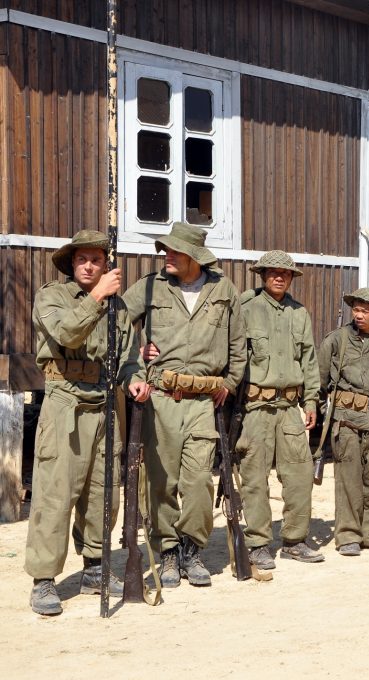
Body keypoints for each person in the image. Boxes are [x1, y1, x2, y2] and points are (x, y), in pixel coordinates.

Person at [25, 230, 142, 616]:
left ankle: (95, 567)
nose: (89, 265)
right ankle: (44, 579)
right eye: (82, 259)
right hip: (65, 403)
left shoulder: (120, 308)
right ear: (72, 264)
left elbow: (126, 359)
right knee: (57, 493)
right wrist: (96, 298)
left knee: (102, 493)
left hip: (106, 403)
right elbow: (66, 332)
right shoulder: (52, 297)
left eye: (96, 259)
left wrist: (134, 377)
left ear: (106, 263)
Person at [123, 222, 245, 588]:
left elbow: (238, 344)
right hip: (161, 399)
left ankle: (192, 550)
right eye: (166, 251)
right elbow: (114, 322)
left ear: (194, 257)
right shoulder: (148, 286)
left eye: (174, 251)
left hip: (203, 402)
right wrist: (136, 356)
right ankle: (168, 554)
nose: (167, 256)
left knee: (197, 484)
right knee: (161, 482)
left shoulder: (223, 290)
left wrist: (230, 381)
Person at [234, 251, 322, 569]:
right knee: (255, 478)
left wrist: (311, 401)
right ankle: (258, 543)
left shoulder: (299, 313)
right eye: (273, 272)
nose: (279, 277)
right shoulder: (246, 307)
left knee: (299, 474)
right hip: (255, 407)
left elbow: (309, 361)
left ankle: (295, 540)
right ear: (263, 275)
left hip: (289, 406)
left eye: (284, 273)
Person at [319, 287, 369, 556]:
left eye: (366, 310)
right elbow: (318, 382)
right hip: (346, 423)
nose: (359, 315)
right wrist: (325, 412)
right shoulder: (337, 340)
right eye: (356, 309)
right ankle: (348, 536)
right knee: (348, 481)